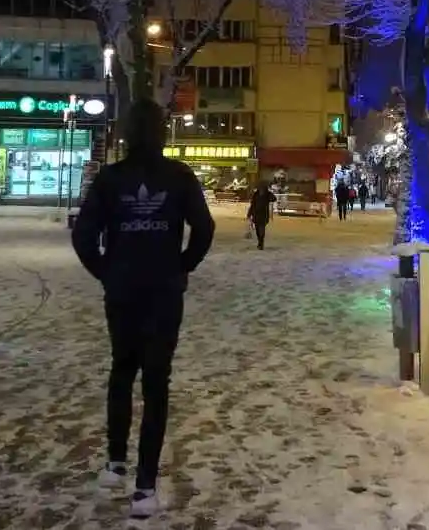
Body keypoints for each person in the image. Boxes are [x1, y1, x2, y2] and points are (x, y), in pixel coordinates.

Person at [72, 100, 215, 518]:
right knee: (156, 382)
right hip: (163, 292)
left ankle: (115, 463)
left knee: (121, 370)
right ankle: (145, 487)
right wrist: (180, 266)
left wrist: (106, 271)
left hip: (122, 291)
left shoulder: (110, 179)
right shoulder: (179, 176)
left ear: (126, 133)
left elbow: (84, 236)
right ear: (161, 131)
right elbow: (203, 230)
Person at [247, 184, 277, 250]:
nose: (261, 189)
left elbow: (274, 199)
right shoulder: (256, 194)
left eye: (262, 188)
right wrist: (249, 213)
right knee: (257, 229)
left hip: (264, 214)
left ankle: (261, 243)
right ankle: (260, 242)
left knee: (262, 228)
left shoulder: (268, 194)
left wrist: (269, 194)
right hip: (256, 214)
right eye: (260, 188)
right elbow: (252, 204)